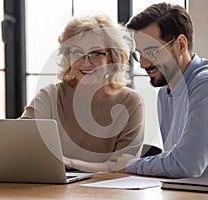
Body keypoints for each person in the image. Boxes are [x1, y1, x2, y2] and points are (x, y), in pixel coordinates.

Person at [117, 2, 208, 178]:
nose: (143, 63)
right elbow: (175, 162)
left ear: (180, 45)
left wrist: (131, 165)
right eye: (139, 54)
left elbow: (185, 166)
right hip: (198, 192)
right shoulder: (165, 93)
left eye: (152, 52)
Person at [20, 14, 144, 172]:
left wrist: (70, 164)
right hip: (52, 192)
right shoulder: (50, 96)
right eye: (77, 53)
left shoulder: (130, 102)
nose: (86, 63)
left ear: (113, 57)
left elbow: (122, 167)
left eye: (95, 53)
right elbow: (19, 143)